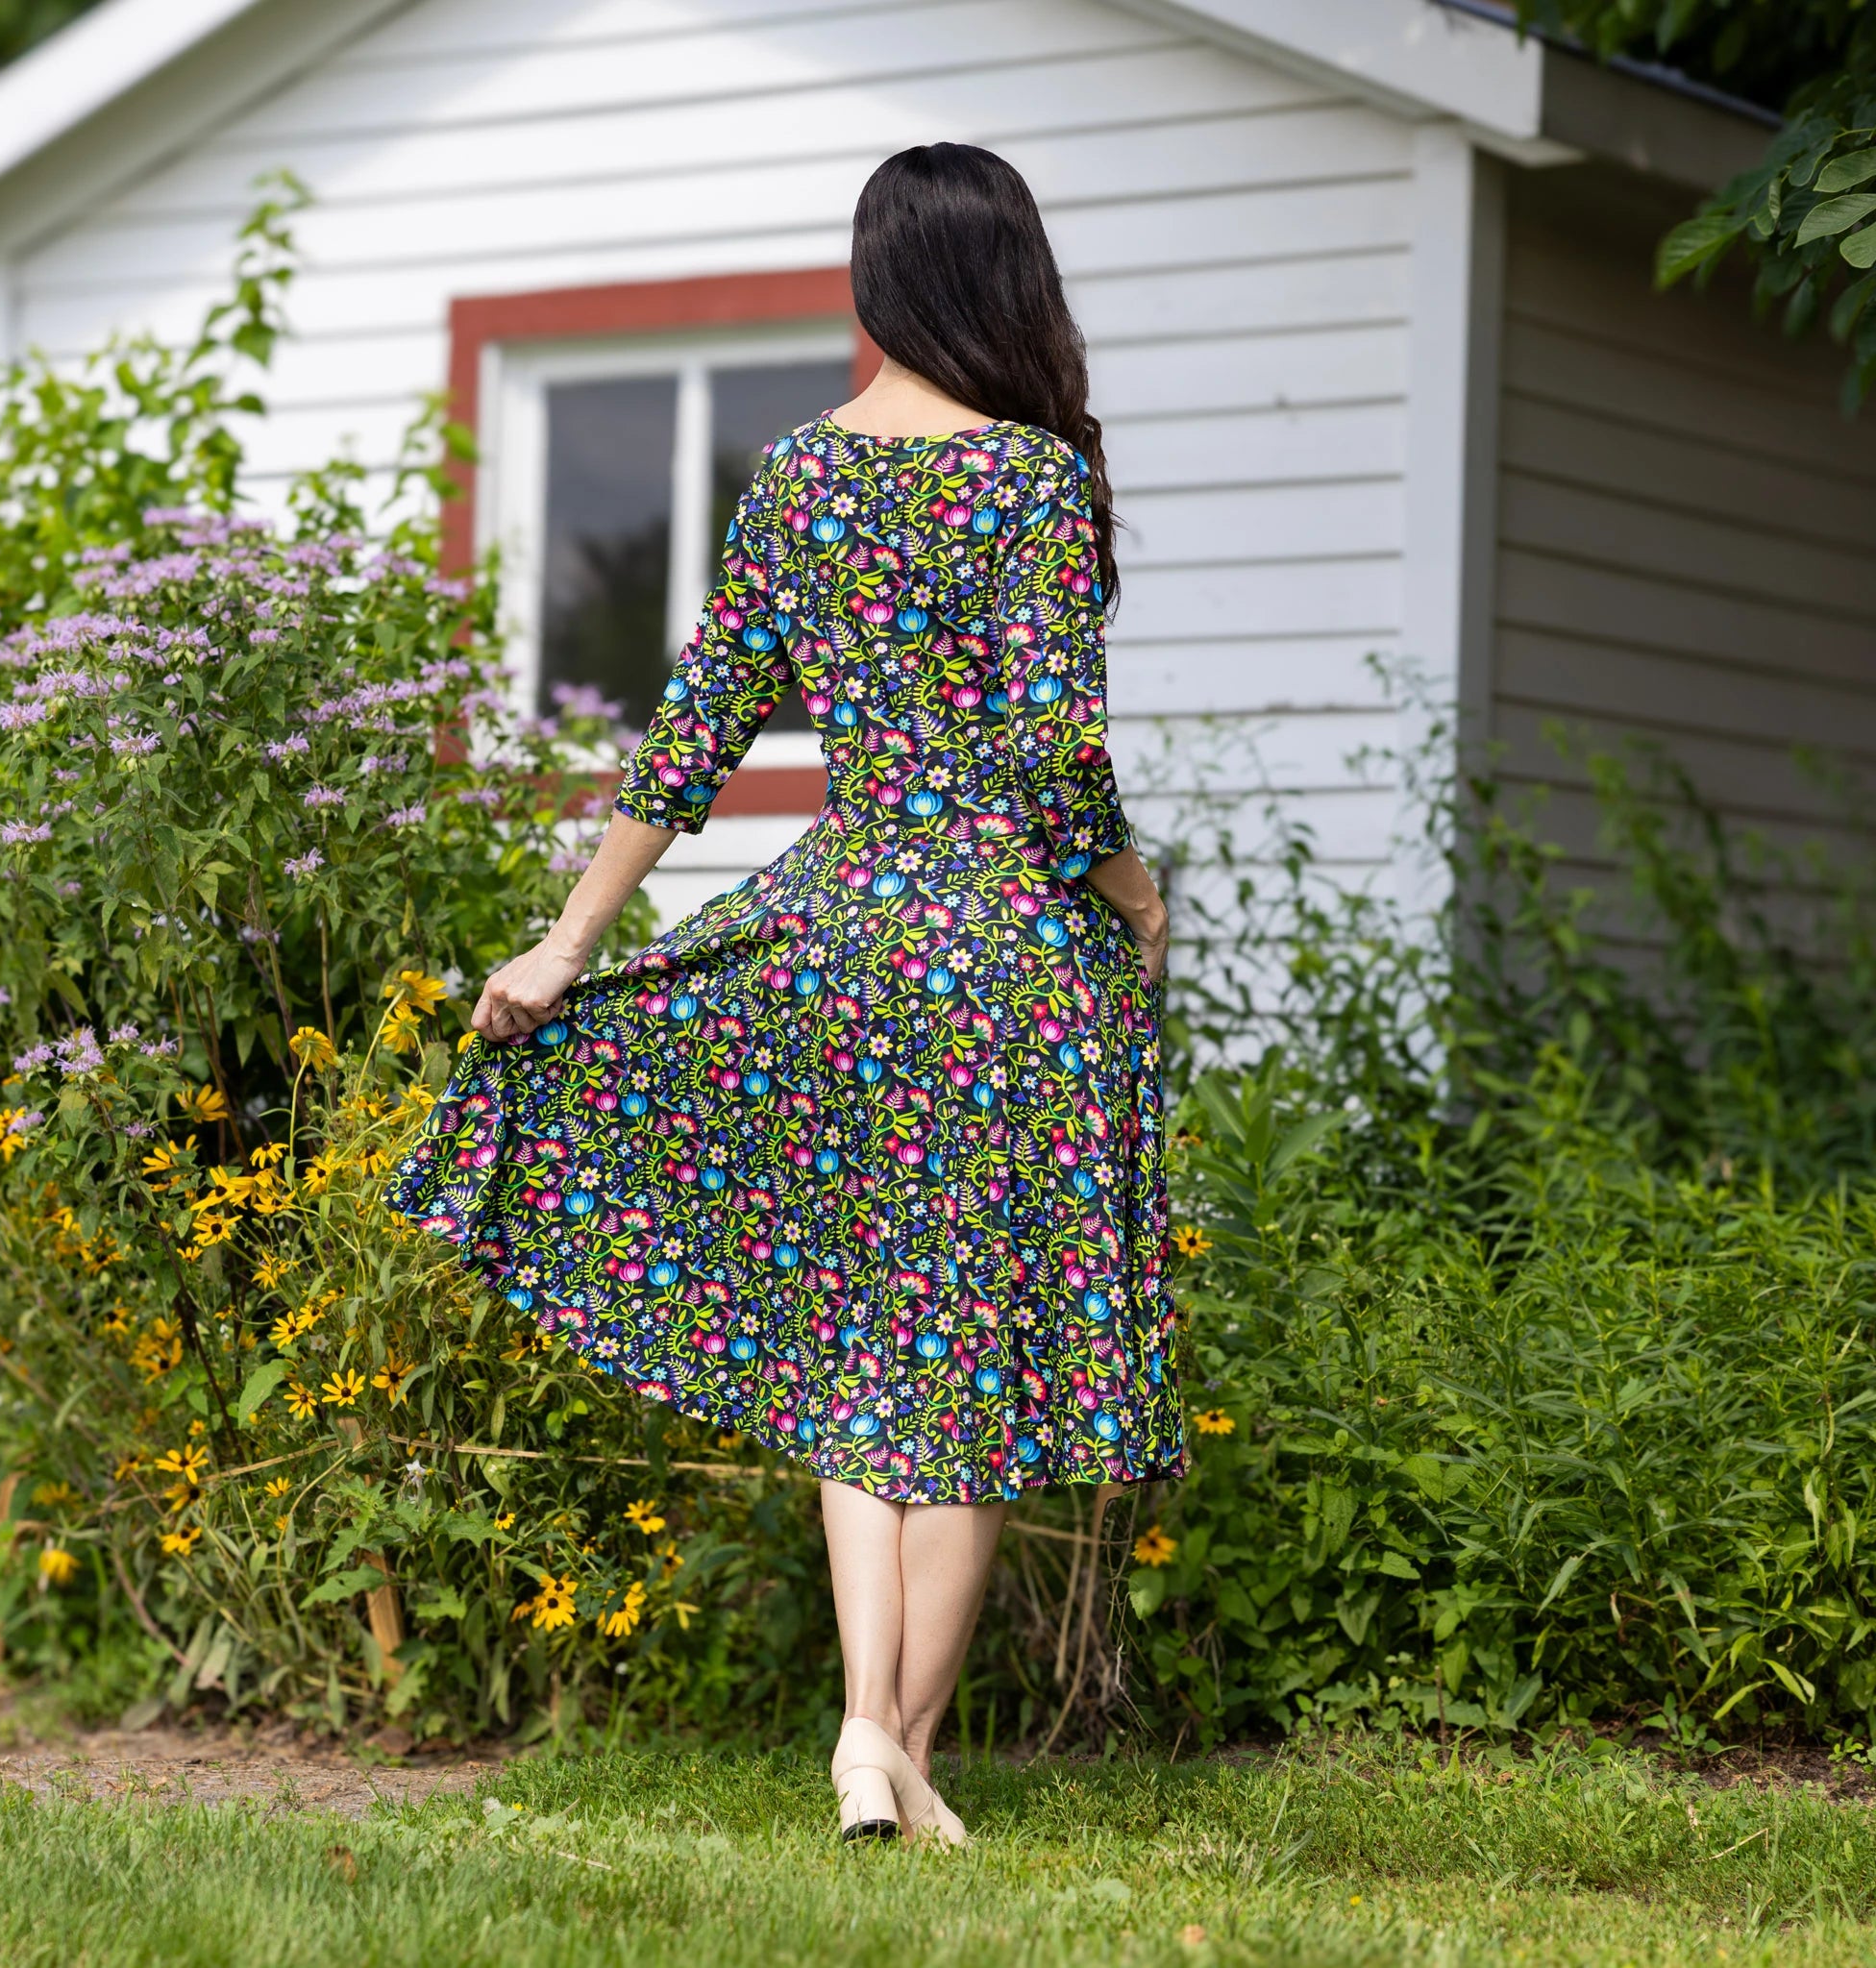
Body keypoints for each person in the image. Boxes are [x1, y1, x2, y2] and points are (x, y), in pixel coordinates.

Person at [386, 142, 1183, 1845]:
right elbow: (1058, 753)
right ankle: (892, 1741)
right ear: (1011, 281)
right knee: (965, 1364)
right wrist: (1133, 892)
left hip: (834, 939)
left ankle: (868, 1740)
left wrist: (567, 946)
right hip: (998, 962)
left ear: (879, 282)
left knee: (860, 1349)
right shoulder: (1033, 480)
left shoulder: (801, 475)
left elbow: (693, 739)